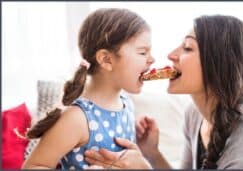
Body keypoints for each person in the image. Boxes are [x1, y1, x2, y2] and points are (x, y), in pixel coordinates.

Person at [84, 15, 243, 169]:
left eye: (188, 48)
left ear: (217, 66)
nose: (171, 55)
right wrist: (152, 154)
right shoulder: (196, 115)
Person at [21, 8, 154, 169]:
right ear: (106, 59)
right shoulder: (76, 118)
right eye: (142, 52)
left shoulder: (127, 103)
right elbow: (32, 166)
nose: (152, 59)